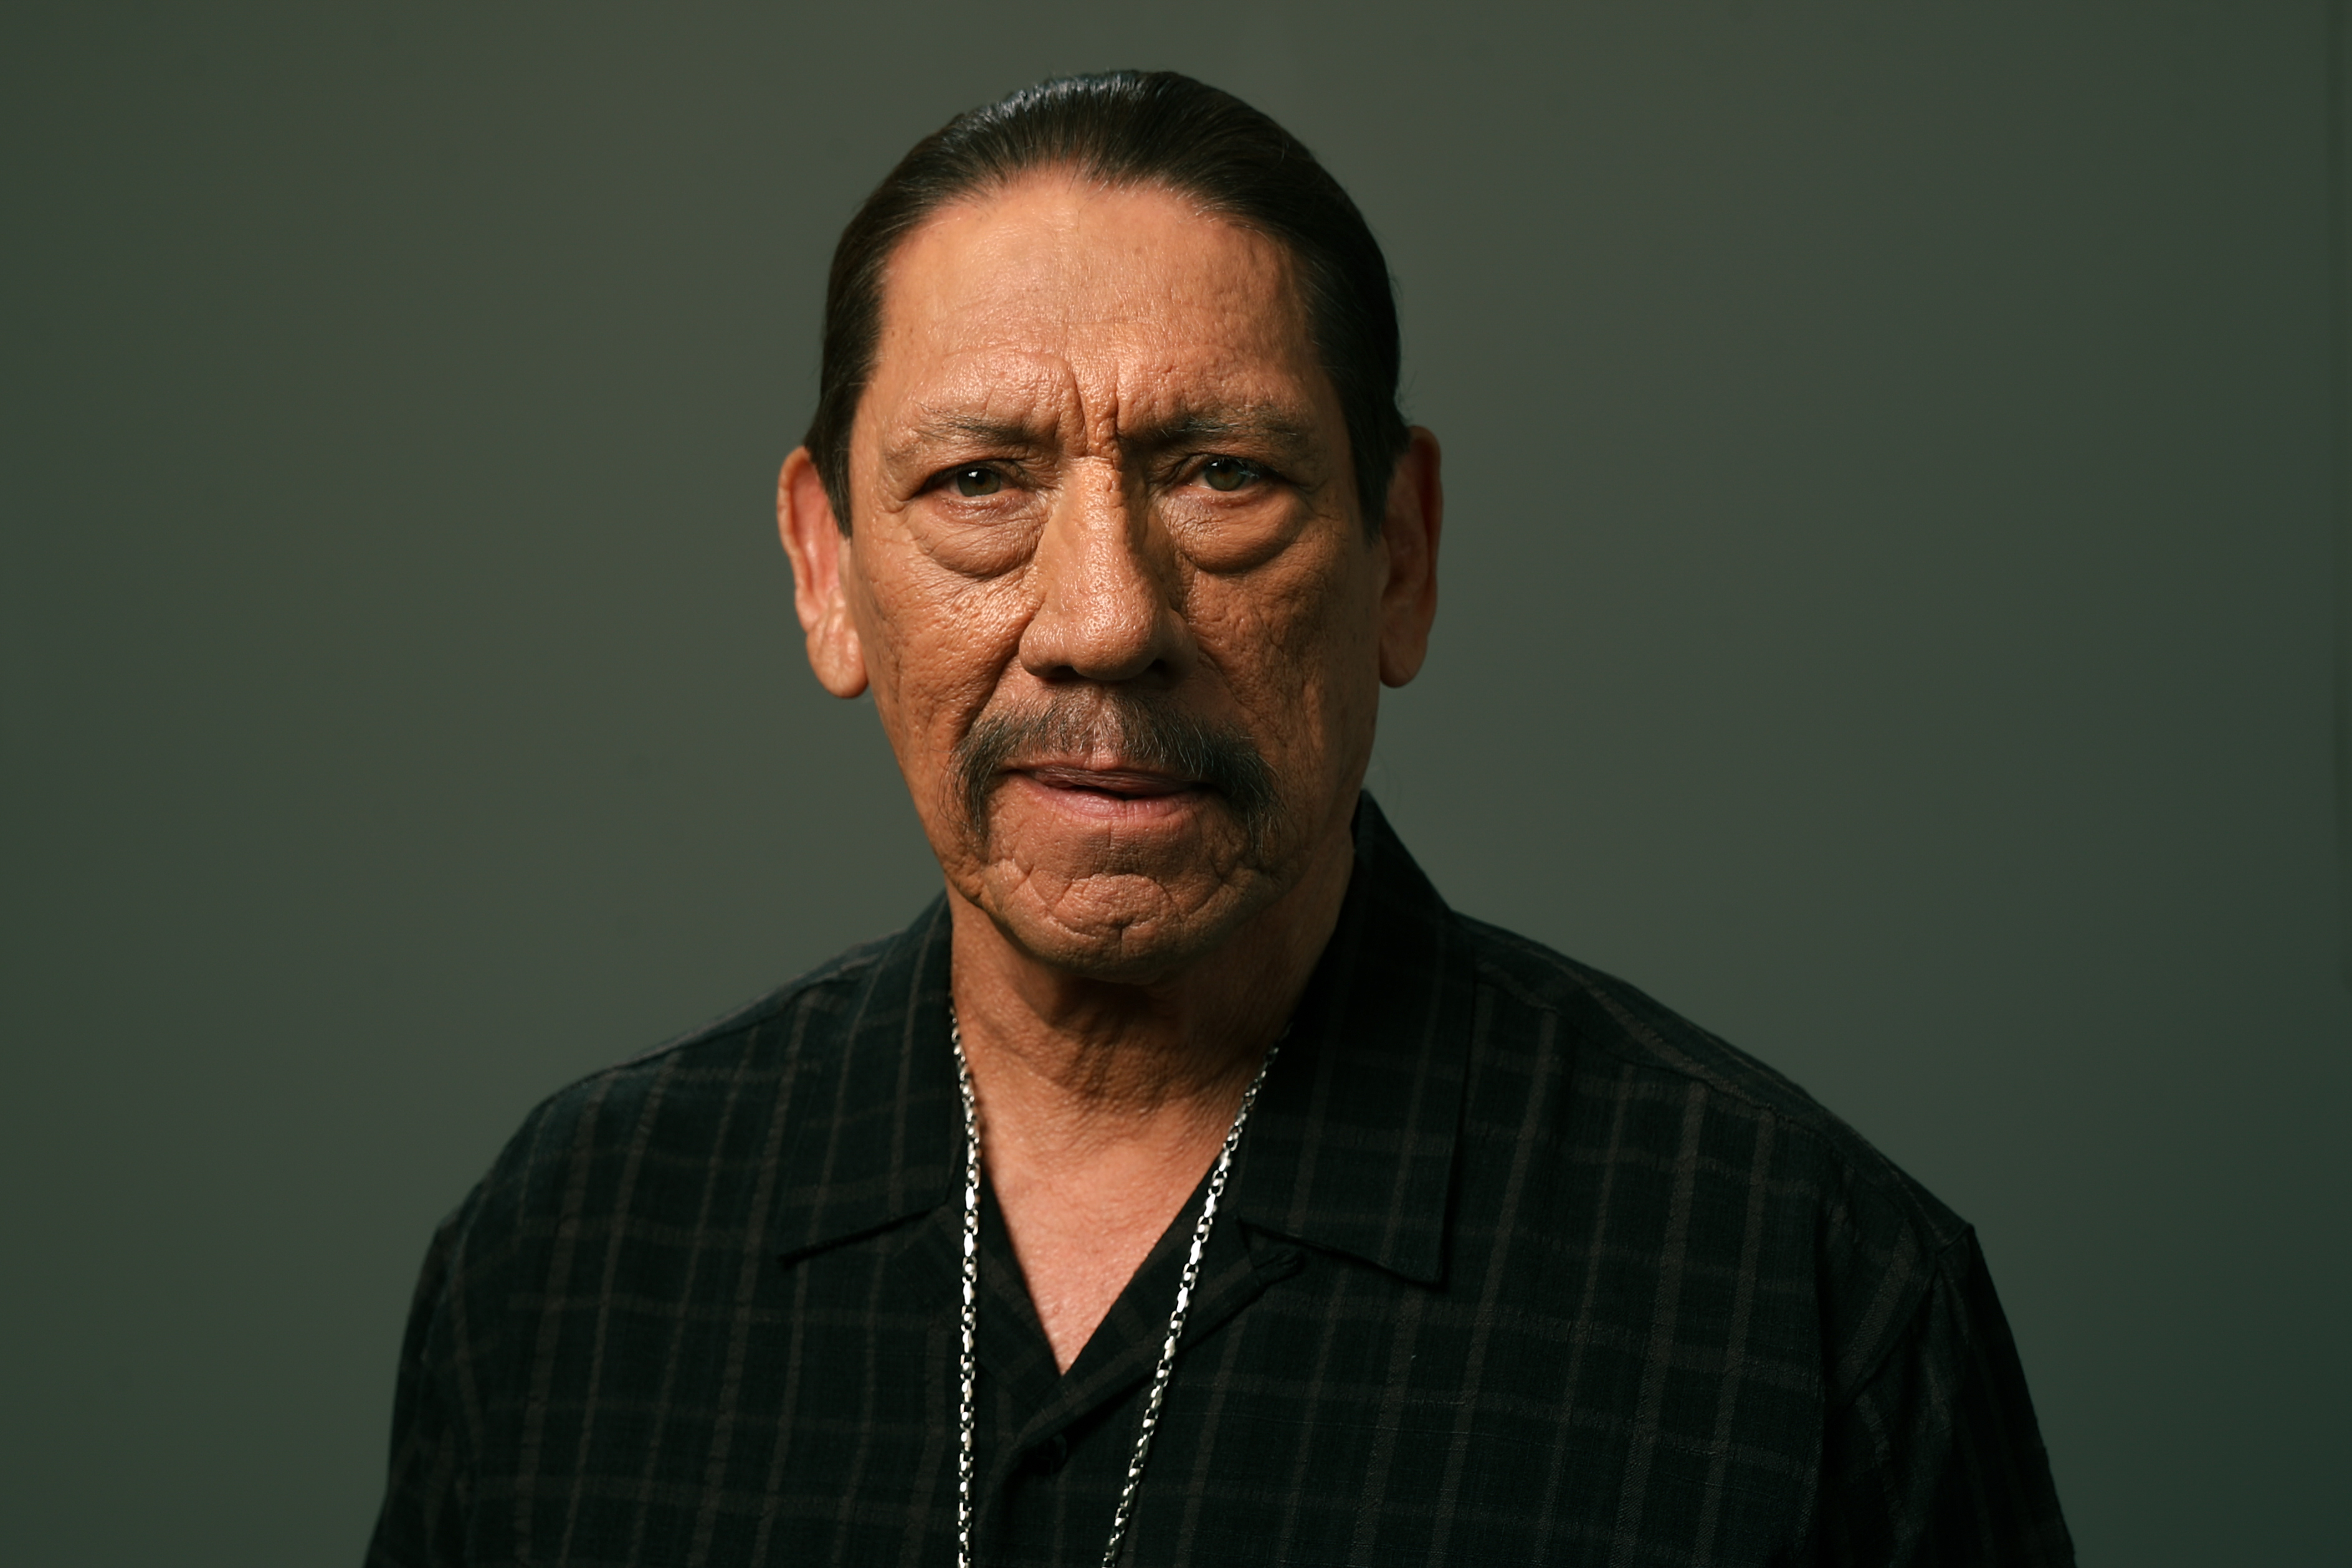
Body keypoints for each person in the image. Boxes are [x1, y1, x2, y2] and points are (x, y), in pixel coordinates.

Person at [367, 71, 2072, 1567]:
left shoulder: (1807, 1308)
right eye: (982, 483)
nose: (1105, 617)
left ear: (1399, 557)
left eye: (1222, 476)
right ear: (826, 571)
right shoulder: (570, 1261)